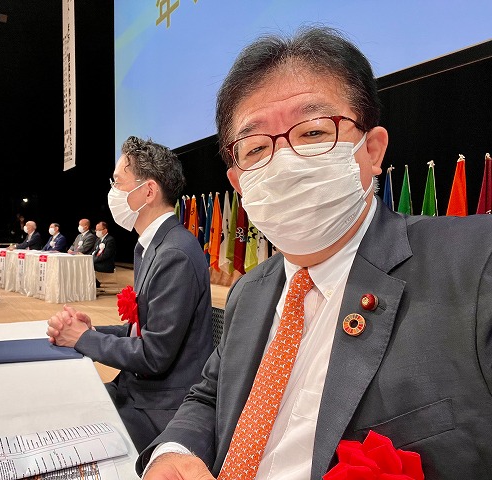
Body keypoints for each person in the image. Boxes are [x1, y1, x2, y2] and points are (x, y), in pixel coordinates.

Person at [137, 26, 492, 480]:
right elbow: (210, 396)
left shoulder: (475, 264)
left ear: (373, 150)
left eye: (313, 132)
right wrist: (173, 450)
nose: (285, 161)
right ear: (239, 183)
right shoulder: (250, 291)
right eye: (256, 148)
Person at [47, 136, 213, 453]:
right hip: (139, 390)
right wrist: (90, 331)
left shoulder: (174, 254)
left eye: (117, 182)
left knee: (61, 431)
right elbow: (141, 329)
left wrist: (82, 339)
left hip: (161, 408)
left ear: (148, 191)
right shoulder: (152, 246)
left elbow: (154, 355)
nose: (113, 191)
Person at [91, 221, 116, 287]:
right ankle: (93, 282)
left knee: (88, 265)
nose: (97, 232)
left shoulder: (110, 240)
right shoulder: (98, 240)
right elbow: (94, 252)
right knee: (86, 264)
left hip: (105, 263)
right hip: (97, 261)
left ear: (105, 230)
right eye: (96, 230)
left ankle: (95, 283)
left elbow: (106, 255)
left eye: (99, 230)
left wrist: (92, 260)